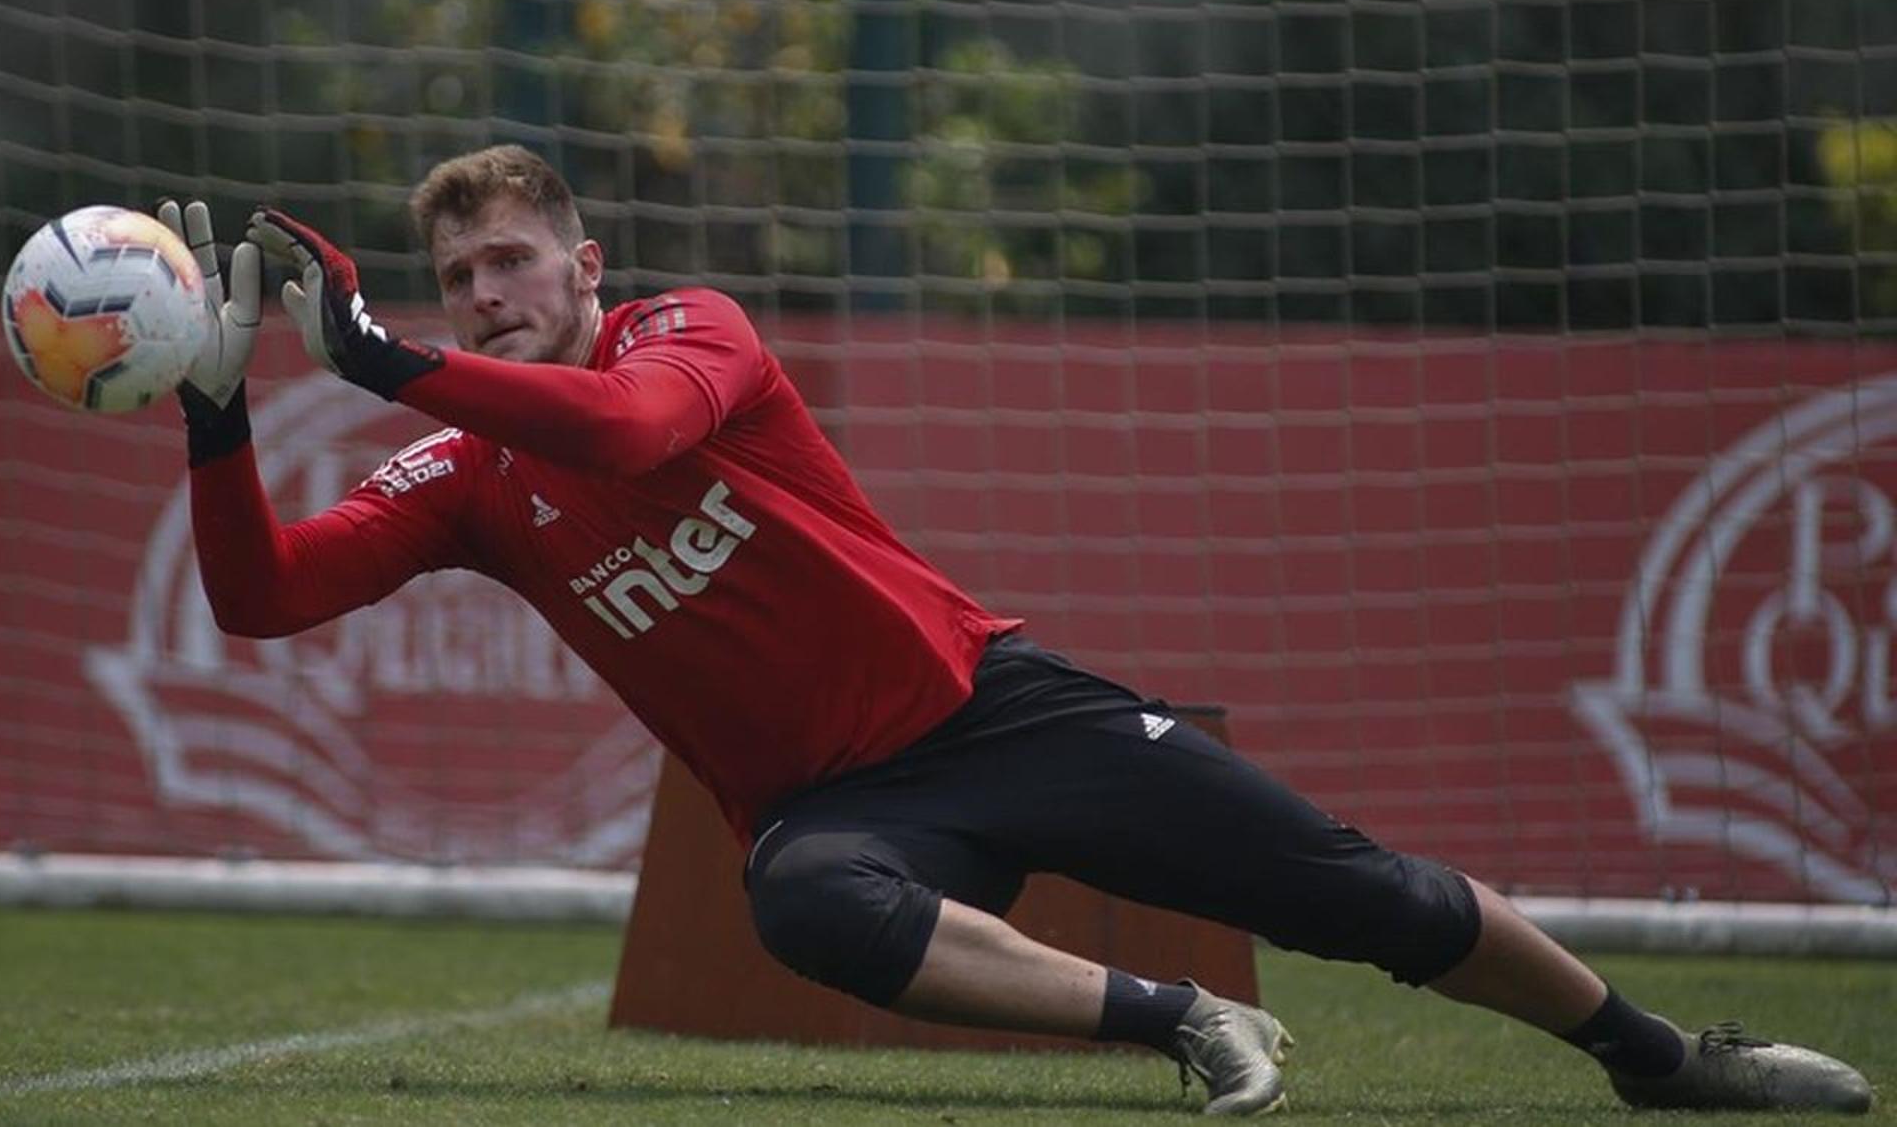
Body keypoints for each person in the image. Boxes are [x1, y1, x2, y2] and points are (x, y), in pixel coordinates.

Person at [161, 145, 1873, 1116]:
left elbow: (624, 442)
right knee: (804, 903)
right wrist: (221, 414)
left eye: (512, 264)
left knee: (1362, 895)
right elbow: (259, 598)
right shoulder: (462, 469)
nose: (486, 298)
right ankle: (1186, 1022)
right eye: (458, 279)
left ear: (584, 265)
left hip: (989, 706)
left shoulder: (687, 330)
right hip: (841, 806)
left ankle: (1656, 1061)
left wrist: (378, 353)